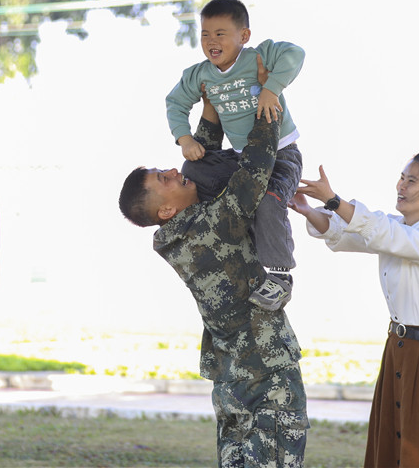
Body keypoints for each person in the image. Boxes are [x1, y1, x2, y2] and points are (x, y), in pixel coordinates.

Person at [119, 94, 308, 468]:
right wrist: (268, 108)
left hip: (232, 381)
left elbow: (199, 158)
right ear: (166, 209)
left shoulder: (180, 234)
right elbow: (253, 172)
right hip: (265, 376)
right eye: (164, 179)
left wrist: (210, 102)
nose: (174, 172)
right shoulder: (210, 226)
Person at [289, 154, 419, 468]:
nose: (401, 185)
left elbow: (382, 234)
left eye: (411, 180)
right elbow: (349, 235)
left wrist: (333, 200)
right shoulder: (396, 228)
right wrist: (309, 210)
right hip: (399, 349)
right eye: (402, 177)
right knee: (391, 446)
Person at [166, 0, 304, 311]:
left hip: (282, 155)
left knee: (269, 199)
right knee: (195, 170)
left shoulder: (257, 56)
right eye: (205, 34)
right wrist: (184, 137)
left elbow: (295, 53)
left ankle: (280, 277)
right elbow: (175, 102)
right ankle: (232, 237)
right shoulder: (201, 74)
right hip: (242, 158)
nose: (211, 41)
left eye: (220, 33)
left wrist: (272, 88)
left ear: (243, 36)